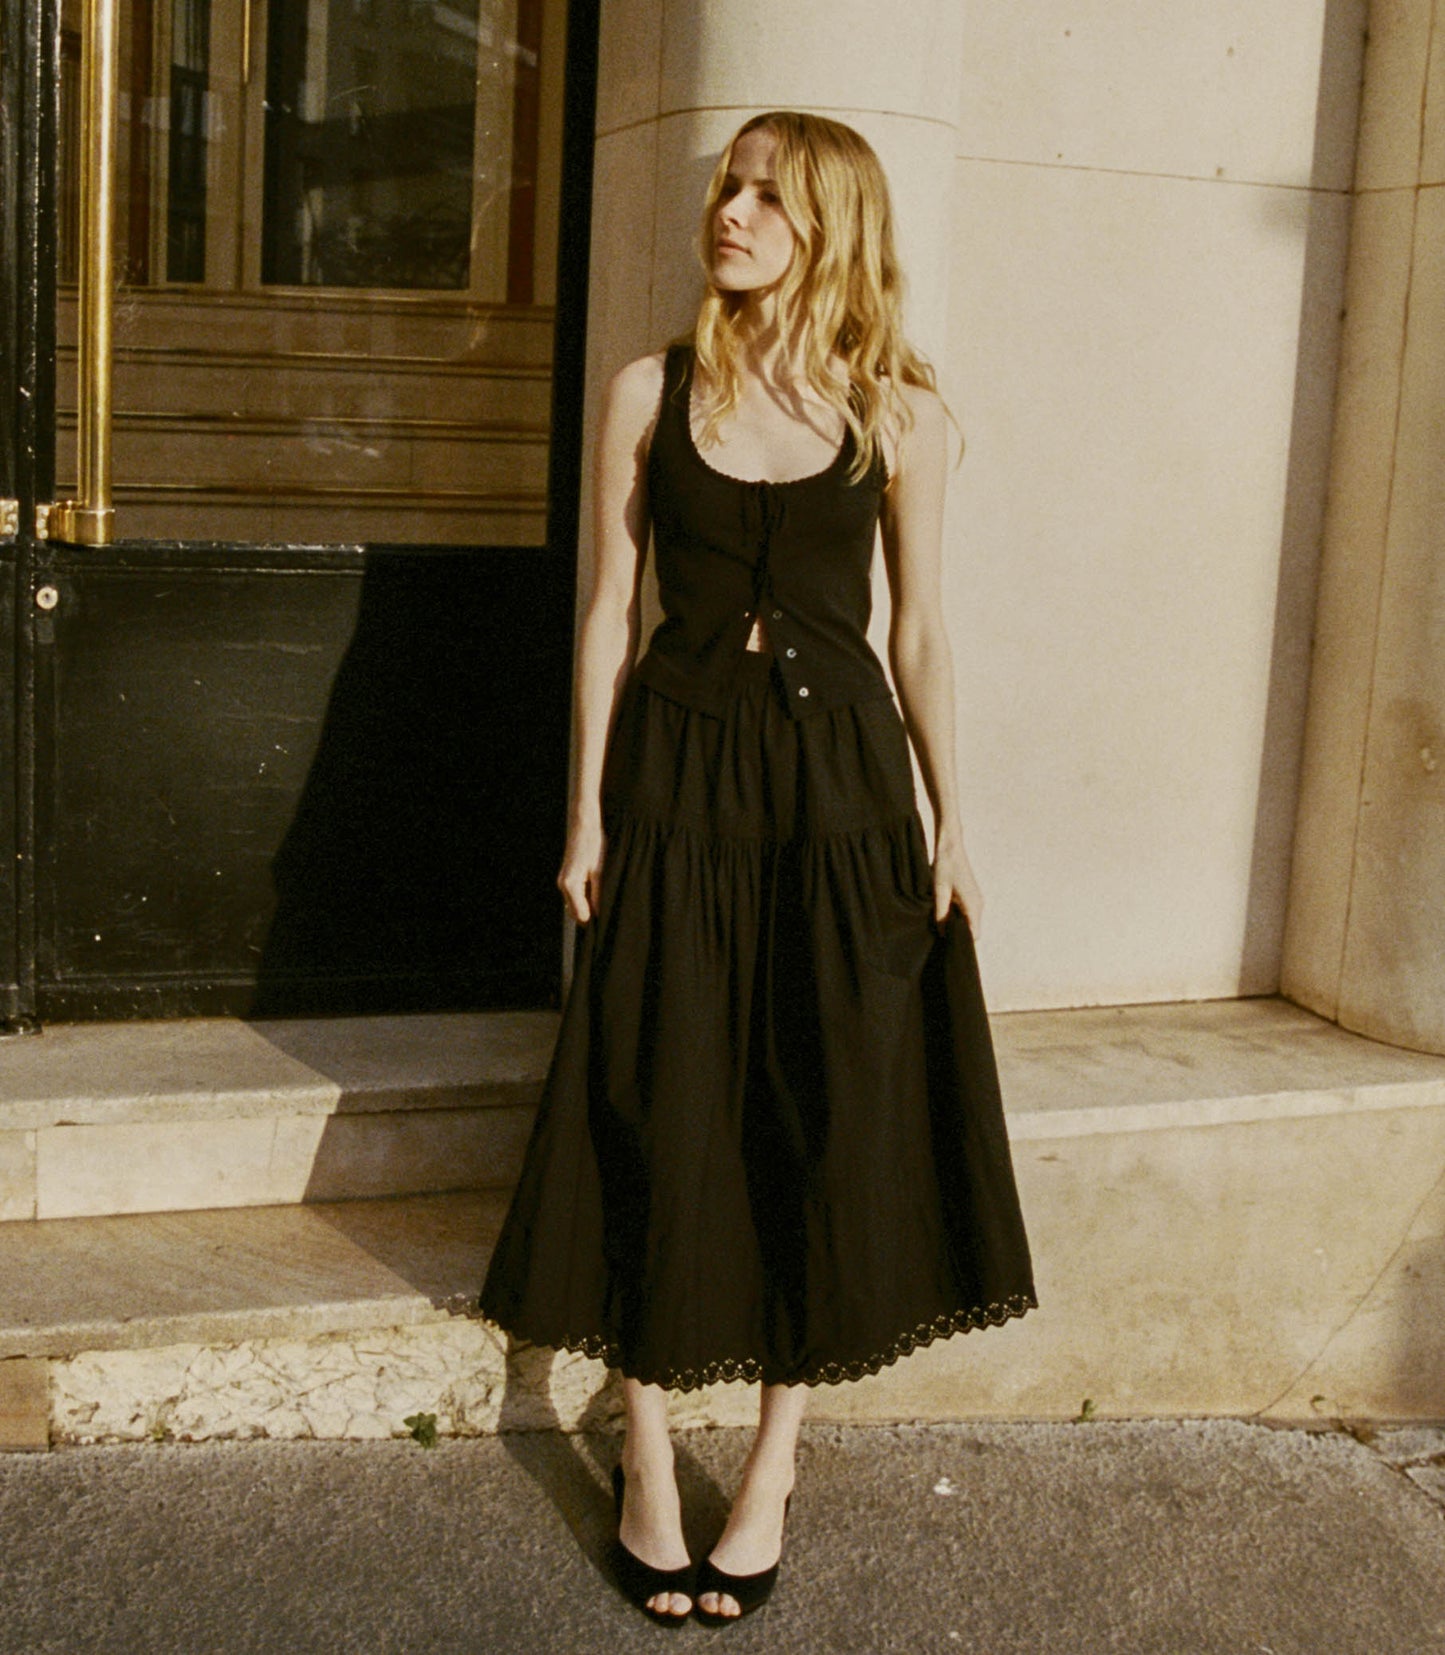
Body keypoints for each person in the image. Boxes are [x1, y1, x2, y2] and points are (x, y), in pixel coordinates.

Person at [479, 109, 1037, 1626]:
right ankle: (650, 1452)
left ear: (830, 224)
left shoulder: (901, 415)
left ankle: (775, 1464)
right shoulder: (649, 391)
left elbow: (918, 632)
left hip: (842, 793)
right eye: (728, 187)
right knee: (656, 1094)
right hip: (675, 781)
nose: (729, 212)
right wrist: (585, 813)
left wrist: (955, 817)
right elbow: (609, 611)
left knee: (823, 1103)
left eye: (765, 196)